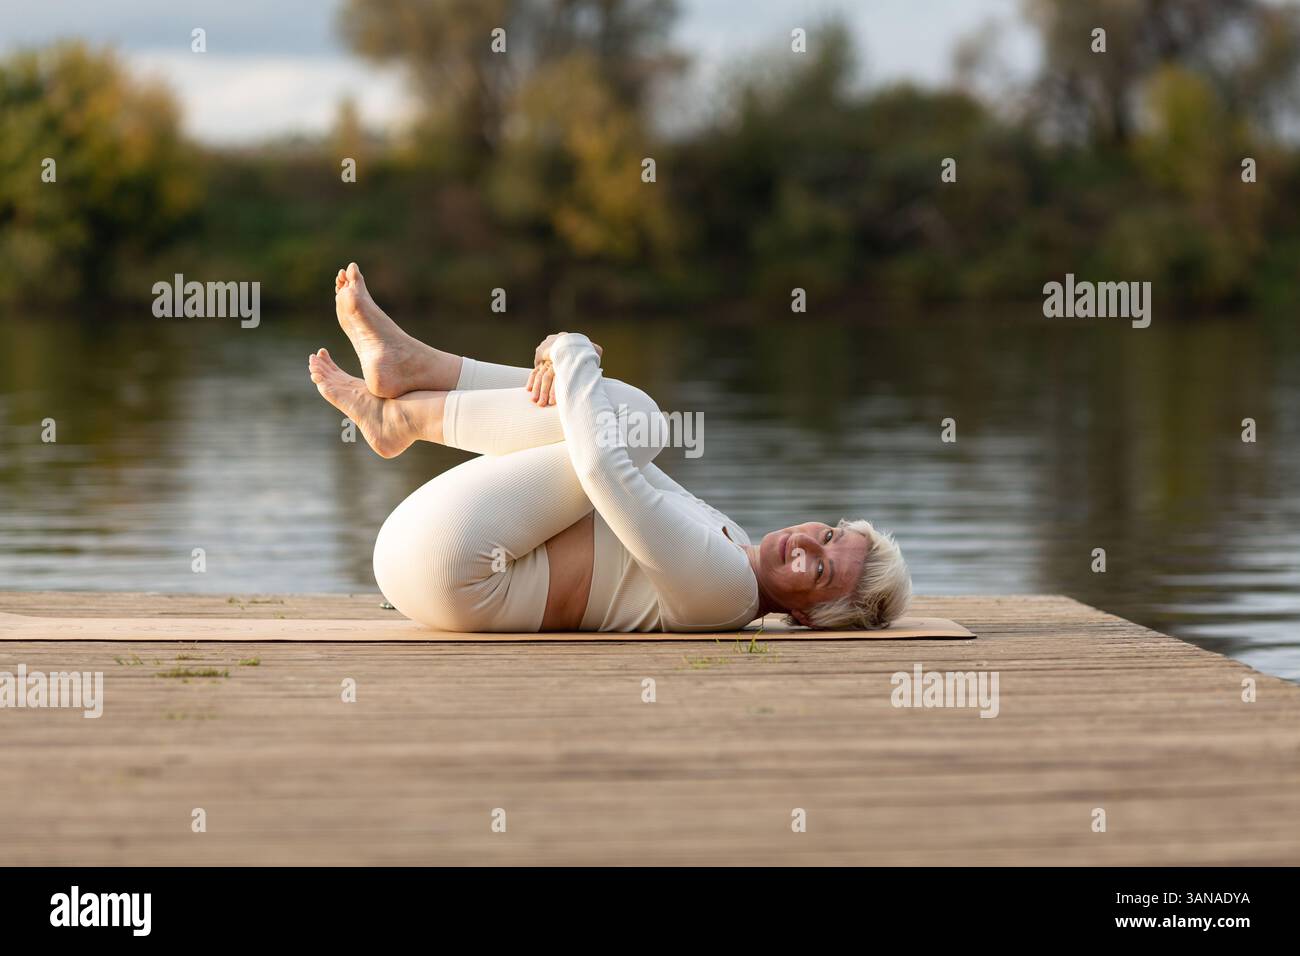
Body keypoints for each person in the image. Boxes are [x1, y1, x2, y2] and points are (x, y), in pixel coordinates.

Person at [308, 263, 912, 633]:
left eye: (824, 569)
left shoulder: (727, 589)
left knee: (639, 425)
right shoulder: (730, 543)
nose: (808, 543)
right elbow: (600, 444)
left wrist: (573, 348)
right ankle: (413, 378)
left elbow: (602, 468)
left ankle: (410, 404)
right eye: (829, 535)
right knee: (623, 425)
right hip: (429, 566)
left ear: (809, 617)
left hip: (452, 568)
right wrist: (574, 371)